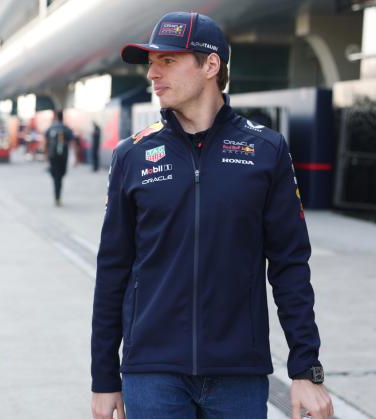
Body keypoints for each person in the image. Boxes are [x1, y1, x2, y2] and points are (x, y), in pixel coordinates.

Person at [91, 11, 333, 419]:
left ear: (211, 65)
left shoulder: (266, 151)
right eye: (151, 62)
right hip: (151, 372)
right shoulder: (132, 155)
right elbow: (112, 270)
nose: (152, 73)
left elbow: (290, 265)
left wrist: (306, 368)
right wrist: (103, 377)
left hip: (239, 373)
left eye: (168, 60)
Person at [44, 110, 74, 206]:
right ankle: (58, 195)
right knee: (60, 176)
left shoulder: (50, 128)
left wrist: (46, 155)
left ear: (56, 117)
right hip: (63, 156)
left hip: (53, 156)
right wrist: (76, 158)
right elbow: (73, 143)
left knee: (56, 176)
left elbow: (46, 142)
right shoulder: (66, 129)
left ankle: (57, 195)